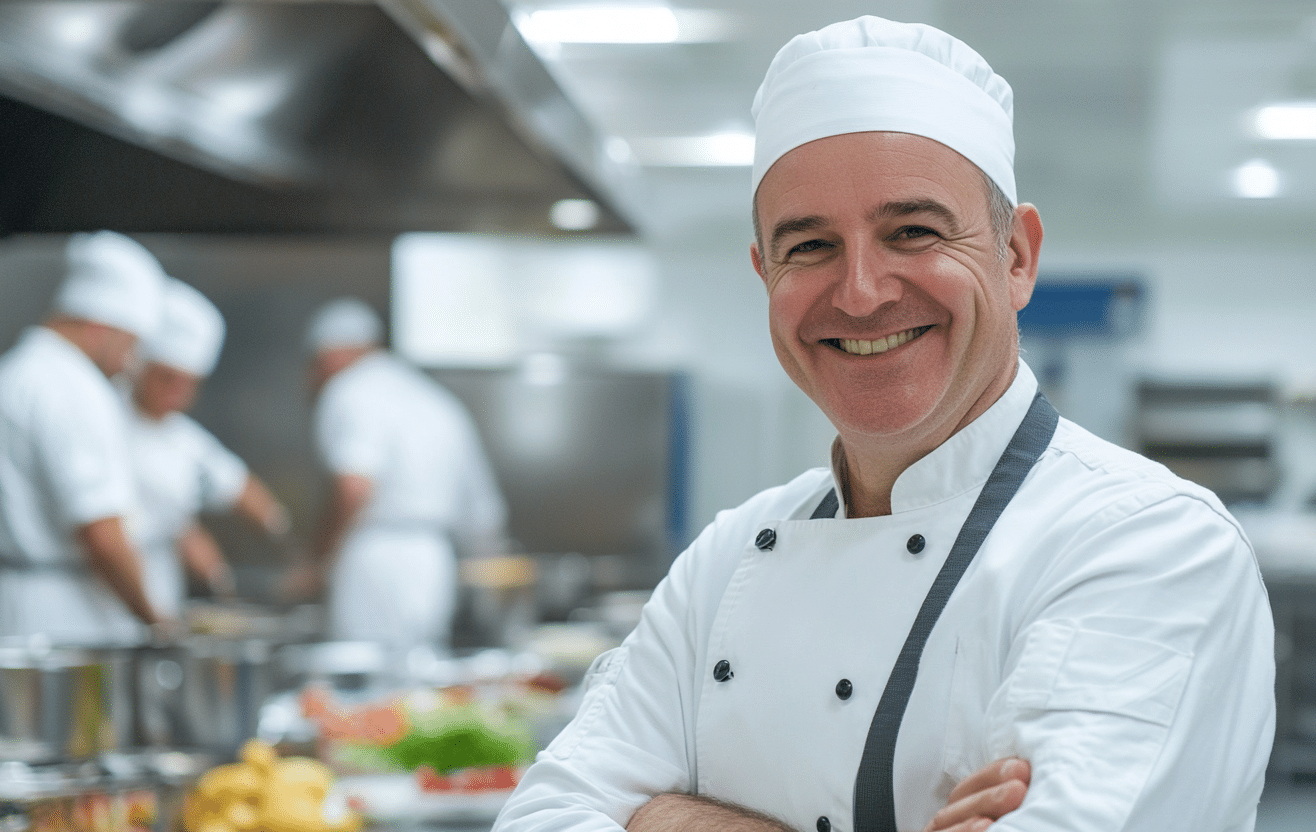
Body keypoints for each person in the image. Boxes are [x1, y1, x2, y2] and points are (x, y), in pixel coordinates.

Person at [495, 16, 1274, 832]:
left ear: (1017, 257)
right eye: (810, 246)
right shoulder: (724, 560)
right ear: (765, 274)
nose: (861, 293)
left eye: (914, 231)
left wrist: (664, 817)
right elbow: (543, 815)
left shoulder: (1148, 545)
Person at [0, 231, 168, 643]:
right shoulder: (73, 389)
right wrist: (157, 621)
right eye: (130, 344)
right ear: (100, 327)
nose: (130, 363)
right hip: (50, 628)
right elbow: (102, 535)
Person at [296, 297, 507, 658]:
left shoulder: (350, 390)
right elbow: (485, 515)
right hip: (434, 561)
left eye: (315, 364)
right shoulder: (435, 399)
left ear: (332, 354)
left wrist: (318, 561)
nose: (313, 378)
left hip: (375, 558)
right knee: (419, 681)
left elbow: (354, 489)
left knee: (363, 681)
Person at [124, 277, 293, 619]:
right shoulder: (102, 422)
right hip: (111, 590)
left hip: (158, 593)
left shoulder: (180, 437)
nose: (178, 395)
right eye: (167, 379)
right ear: (140, 367)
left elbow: (241, 491)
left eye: (190, 385)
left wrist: (287, 544)